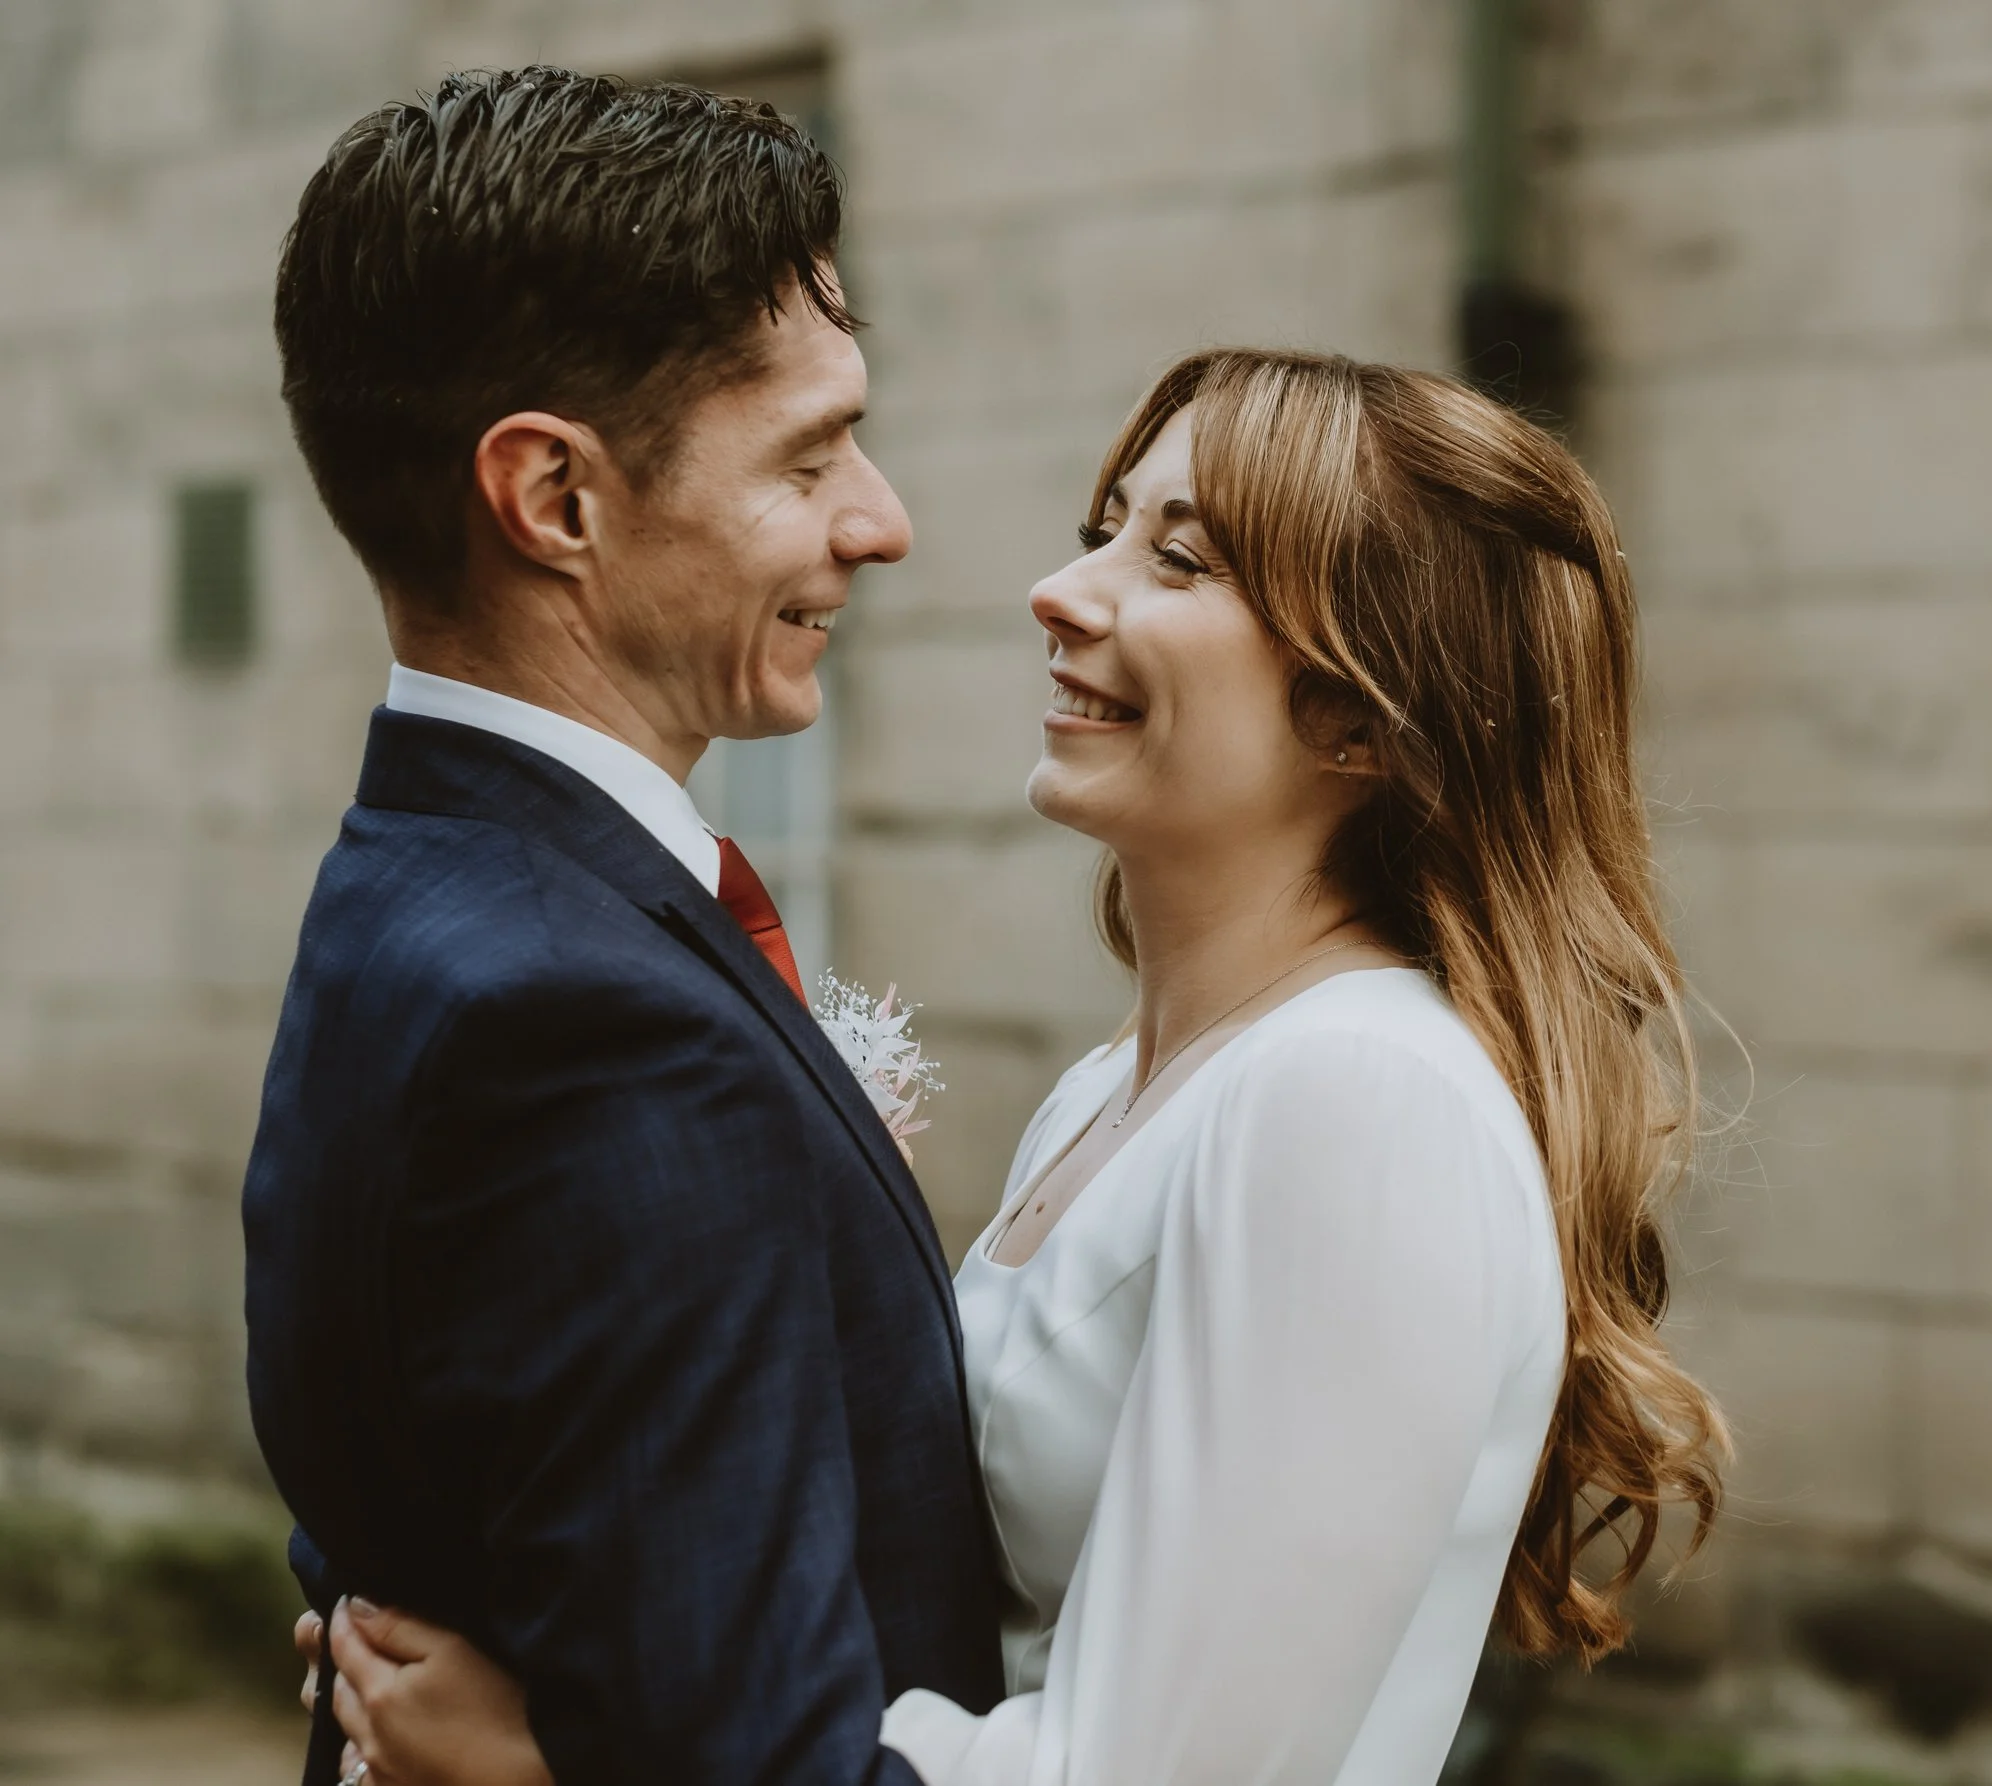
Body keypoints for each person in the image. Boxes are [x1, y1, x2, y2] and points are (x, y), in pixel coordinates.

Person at [291, 346, 1730, 1786]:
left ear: (1363, 713)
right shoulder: (1117, 1092)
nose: (1063, 590)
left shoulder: (1361, 1103)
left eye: (1179, 559)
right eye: (1105, 526)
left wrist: (584, 1761)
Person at [241, 67, 1002, 1786]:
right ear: (556, 498)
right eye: (808, 454)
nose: (880, 521)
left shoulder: (409, 876)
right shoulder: (594, 1029)